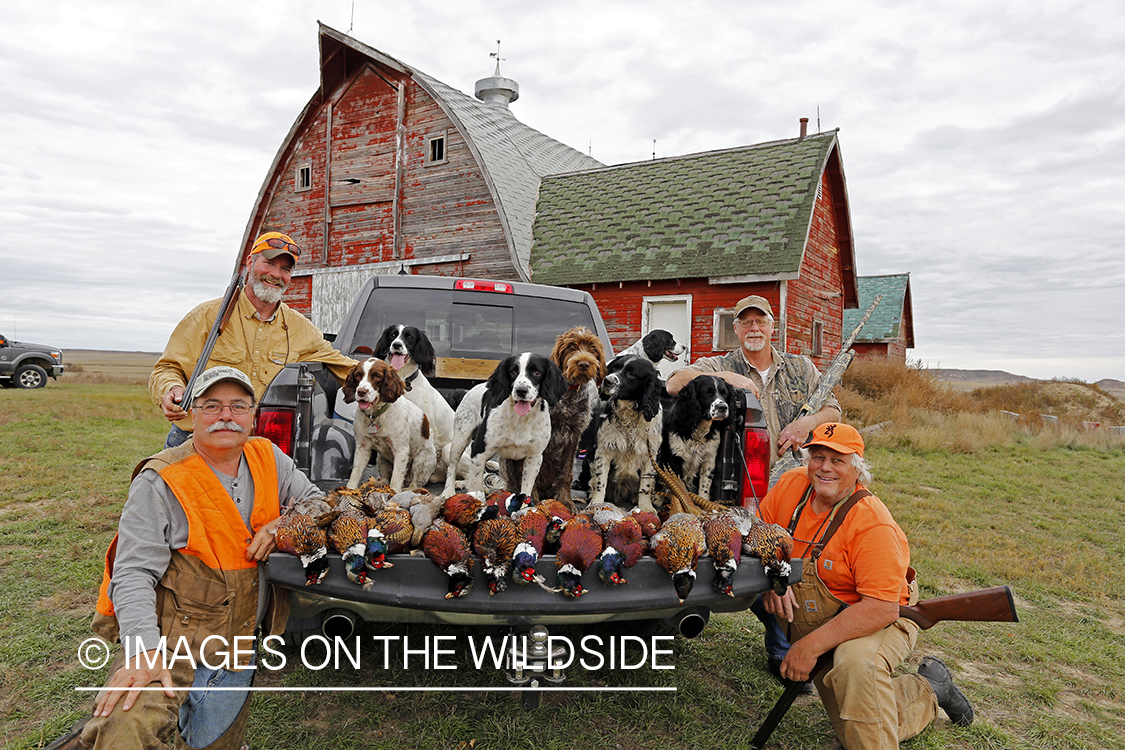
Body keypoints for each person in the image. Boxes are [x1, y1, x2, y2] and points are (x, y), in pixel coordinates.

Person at [67, 366, 326, 750]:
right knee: (124, 728)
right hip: (172, 641)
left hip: (239, 642)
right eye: (212, 405)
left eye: (238, 406)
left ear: (253, 416)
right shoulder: (161, 479)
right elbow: (134, 572)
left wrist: (280, 525)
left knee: (214, 744)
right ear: (192, 415)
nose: (226, 415)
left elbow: (319, 503)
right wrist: (143, 651)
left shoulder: (269, 457)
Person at [759, 422, 973, 749]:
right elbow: (758, 534)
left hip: (883, 613)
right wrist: (773, 576)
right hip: (828, 616)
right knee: (854, 722)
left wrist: (809, 647)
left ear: (857, 467)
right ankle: (930, 688)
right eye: (817, 457)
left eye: (838, 460)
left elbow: (880, 607)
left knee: (855, 663)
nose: (825, 467)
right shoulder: (790, 486)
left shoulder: (872, 522)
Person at [666, 294, 842, 683]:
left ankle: (790, 646)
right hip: (735, 490)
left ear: (772, 326)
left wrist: (805, 425)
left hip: (795, 485)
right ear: (737, 329)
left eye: (760, 322)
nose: (753, 329)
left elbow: (834, 410)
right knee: (763, 556)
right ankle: (781, 643)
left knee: (791, 563)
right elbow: (675, 381)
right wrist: (733, 380)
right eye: (745, 323)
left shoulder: (799, 368)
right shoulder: (718, 364)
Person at [150, 231, 356, 449]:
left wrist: (391, 382)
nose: (276, 274)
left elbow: (346, 368)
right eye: (269, 263)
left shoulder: (300, 328)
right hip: (196, 439)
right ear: (250, 262)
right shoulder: (206, 316)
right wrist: (171, 389)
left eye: (285, 269)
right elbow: (168, 368)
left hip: (258, 445)